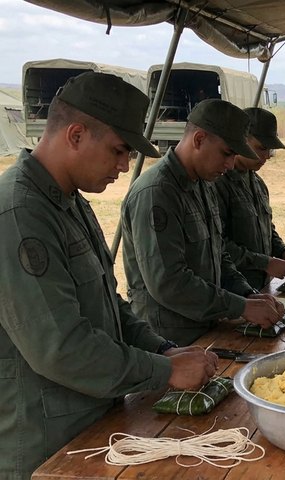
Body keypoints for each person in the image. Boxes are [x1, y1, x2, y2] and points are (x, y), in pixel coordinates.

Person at [0, 72, 218, 478]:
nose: (124, 165)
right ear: (77, 135)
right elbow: (61, 348)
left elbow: (108, 304)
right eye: (119, 151)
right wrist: (164, 371)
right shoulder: (19, 214)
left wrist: (164, 349)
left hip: (91, 426)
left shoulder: (67, 201)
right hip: (44, 447)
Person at [121, 99, 284, 347]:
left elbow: (219, 254)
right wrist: (239, 306)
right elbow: (169, 283)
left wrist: (248, 294)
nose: (230, 164)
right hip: (170, 340)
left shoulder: (201, 184)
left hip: (205, 329)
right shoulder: (157, 192)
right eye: (227, 153)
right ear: (199, 140)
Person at [214, 107, 285, 291]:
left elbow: (267, 228)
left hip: (261, 286)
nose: (266, 156)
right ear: (241, 140)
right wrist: (265, 263)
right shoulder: (218, 183)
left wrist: (283, 252)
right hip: (233, 290)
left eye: (269, 150)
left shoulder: (257, 183)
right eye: (261, 148)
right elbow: (217, 244)